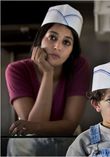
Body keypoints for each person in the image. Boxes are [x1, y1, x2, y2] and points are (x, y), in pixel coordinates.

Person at [5, 4, 91, 156]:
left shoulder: (79, 66)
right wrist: (48, 73)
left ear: (72, 50)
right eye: (52, 37)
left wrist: (34, 126)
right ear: (40, 39)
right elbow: (32, 132)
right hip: (27, 148)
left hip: (68, 144)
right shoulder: (16, 70)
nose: (57, 46)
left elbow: (70, 125)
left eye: (66, 42)